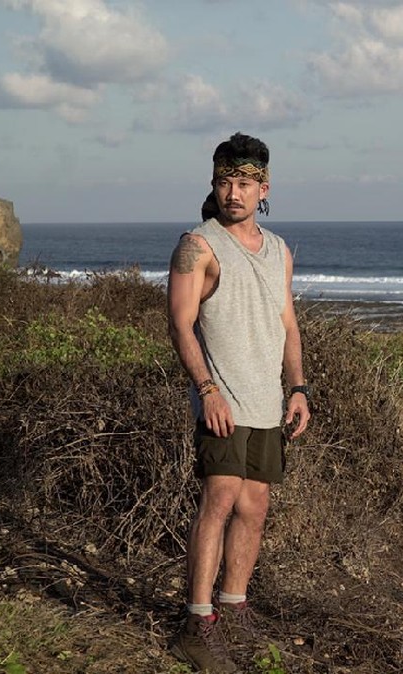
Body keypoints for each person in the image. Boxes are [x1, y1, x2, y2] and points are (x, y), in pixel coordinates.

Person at [167, 132, 310, 672]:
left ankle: (233, 606)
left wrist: (298, 388)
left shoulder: (279, 251)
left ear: (264, 189)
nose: (234, 193)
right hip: (221, 401)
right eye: (226, 181)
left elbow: (288, 324)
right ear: (214, 183)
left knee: (255, 506)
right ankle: (196, 627)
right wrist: (207, 391)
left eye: (245, 184)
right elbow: (180, 323)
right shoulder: (198, 246)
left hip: (266, 403)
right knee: (220, 499)